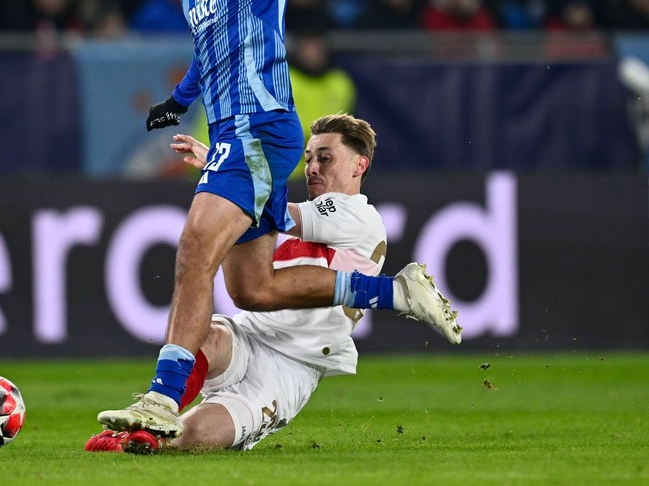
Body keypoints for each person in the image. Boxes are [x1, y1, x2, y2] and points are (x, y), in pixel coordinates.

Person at [97, 0, 449, 441]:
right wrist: (178, 100)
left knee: (193, 250)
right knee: (250, 290)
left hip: (260, 128)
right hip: (231, 130)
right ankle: (396, 291)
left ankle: (161, 398)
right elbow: (210, 54)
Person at [88, 114, 459, 453]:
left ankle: (139, 441)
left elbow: (282, 214)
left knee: (198, 438)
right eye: (309, 158)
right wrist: (227, 170)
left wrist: (228, 171)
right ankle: (157, 410)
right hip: (250, 335)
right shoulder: (306, 213)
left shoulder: (357, 215)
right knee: (208, 333)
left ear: (359, 165)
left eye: (325, 158)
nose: (312, 167)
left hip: (290, 368)